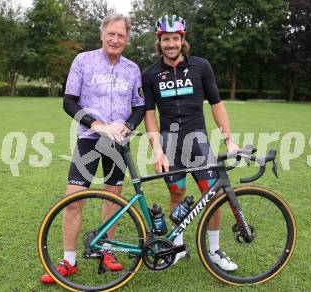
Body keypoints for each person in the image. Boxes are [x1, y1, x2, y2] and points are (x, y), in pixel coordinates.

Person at [41, 13, 145, 284]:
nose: (115, 39)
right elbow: (69, 102)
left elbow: (140, 106)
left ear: (127, 39)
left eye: (121, 35)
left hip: (119, 142)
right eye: (111, 33)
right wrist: (96, 125)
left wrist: (129, 127)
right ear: (102, 34)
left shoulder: (133, 69)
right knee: (74, 197)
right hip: (89, 138)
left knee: (114, 197)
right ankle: (69, 260)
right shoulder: (83, 61)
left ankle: (107, 250)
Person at [143, 15, 240, 271]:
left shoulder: (201, 67)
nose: (171, 44)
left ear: (183, 39)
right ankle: (177, 247)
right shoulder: (150, 74)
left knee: (213, 194)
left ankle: (215, 250)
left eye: (175, 38)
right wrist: (157, 150)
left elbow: (217, 105)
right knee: (177, 192)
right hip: (169, 144)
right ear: (159, 42)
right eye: (166, 39)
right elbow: (149, 114)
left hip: (198, 142)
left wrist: (229, 140)